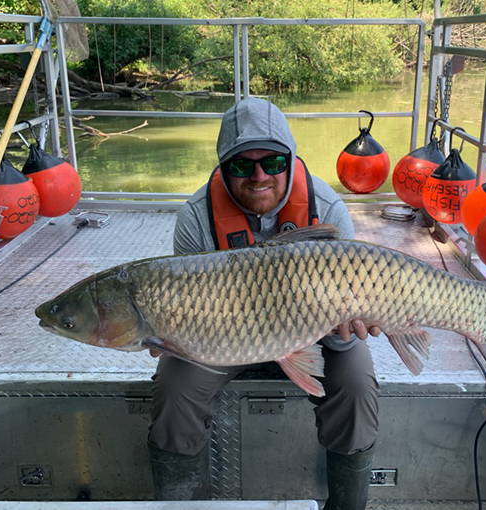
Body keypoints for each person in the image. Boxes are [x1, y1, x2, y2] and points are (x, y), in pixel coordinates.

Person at [147, 97, 381, 509]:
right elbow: (185, 312)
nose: (259, 176)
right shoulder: (196, 219)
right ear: (223, 166)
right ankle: (182, 504)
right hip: (221, 336)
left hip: (317, 333)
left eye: (272, 163)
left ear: (290, 160)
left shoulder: (327, 209)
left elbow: (347, 323)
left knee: (357, 383)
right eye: (241, 165)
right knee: (173, 389)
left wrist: (348, 329)